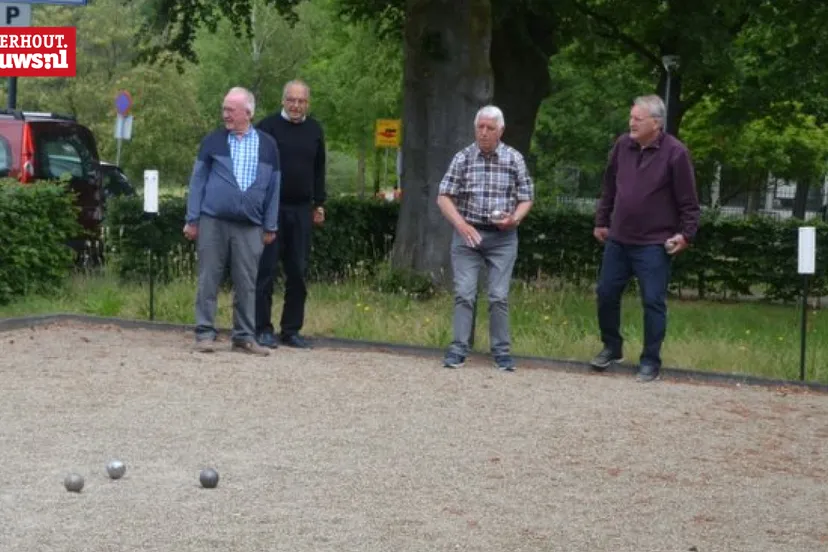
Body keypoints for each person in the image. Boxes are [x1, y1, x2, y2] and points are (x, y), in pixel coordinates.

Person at [590, 94, 701, 382]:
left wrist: (686, 235)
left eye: (638, 119)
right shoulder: (622, 146)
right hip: (619, 238)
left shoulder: (675, 153)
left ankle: (650, 360)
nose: (631, 123)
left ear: (656, 123)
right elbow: (609, 187)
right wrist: (602, 221)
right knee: (605, 293)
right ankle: (612, 347)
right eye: (631, 118)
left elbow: (689, 202)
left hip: (654, 242)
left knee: (653, 301)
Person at [184, 86, 281, 356]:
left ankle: (244, 336)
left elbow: (275, 187)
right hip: (213, 220)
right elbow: (198, 181)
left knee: (247, 282)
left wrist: (270, 224)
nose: (225, 114)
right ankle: (204, 332)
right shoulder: (212, 141)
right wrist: (192, 219)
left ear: (247, 113)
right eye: (224, 109)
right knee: (208, 278)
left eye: (231, 110)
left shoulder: (268, 145)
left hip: (251, 224)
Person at [436, 105, 534, 372]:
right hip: (468, 234)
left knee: (498, 296)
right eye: (480, 127)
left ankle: (501, 352)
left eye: (490, 128)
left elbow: (527, 197)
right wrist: (461, 224)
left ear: (500, 131)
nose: (484, 133)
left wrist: (515, 218)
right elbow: (443, 196)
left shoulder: (514, 159)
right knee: (464, 293)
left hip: (503, 237)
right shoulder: (463, 158)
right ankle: (458, 349)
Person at [254, 80, 326, 349]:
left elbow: (319, 169)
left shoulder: (315, 130)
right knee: (266, 270)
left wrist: (319, 203)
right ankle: (261, 328)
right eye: (291, 100)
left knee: (298, 271)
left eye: (301, 101)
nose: (296, 106)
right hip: (271, 209)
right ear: (283, 100)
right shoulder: (266, 127)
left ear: (307, 103)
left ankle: (291, 329)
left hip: (301, 209)